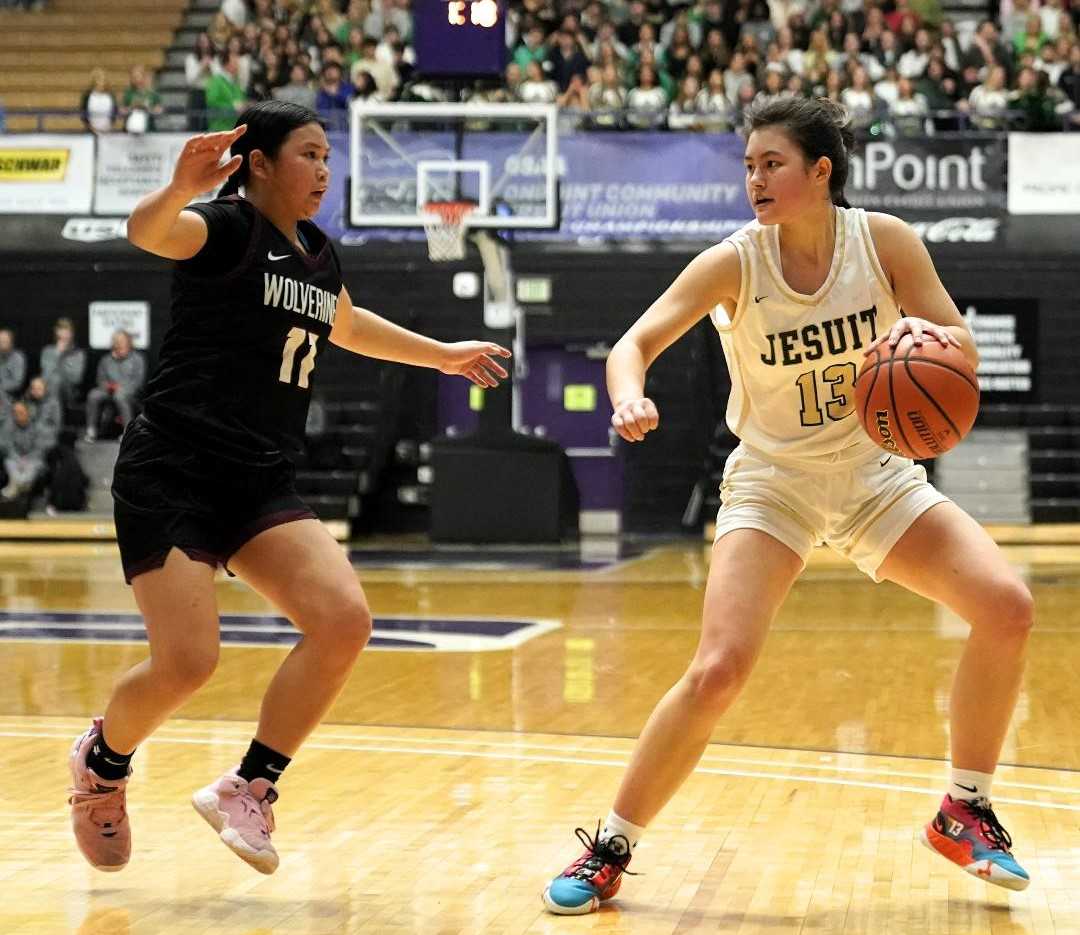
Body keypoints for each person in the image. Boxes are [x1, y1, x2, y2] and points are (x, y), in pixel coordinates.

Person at [542, 96, 1033, 915]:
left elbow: (959, 340)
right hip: (774, 479)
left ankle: (964, 807)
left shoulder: (883, 243)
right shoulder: (737, 262)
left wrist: (913, 348)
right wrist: (626, 396)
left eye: (771, 164)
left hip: (875, 472)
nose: (755, 179)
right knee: (719, 669)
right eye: (748, 166)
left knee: (1008, 607)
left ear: (820, 172)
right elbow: (635, 342)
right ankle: (611, 846)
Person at [66, 100, 510, 876]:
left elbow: (348, 323)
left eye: (329, 159)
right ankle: (102, 765)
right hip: (174, 468)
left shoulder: (316, 253)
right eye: (309, 155)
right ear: (261, 163)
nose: (323, 172)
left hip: (258, 476)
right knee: (188, 662)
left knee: (344, 619)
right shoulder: (224, 228)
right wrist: (177, 188)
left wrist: (442, 354)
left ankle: (250, 785)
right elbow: (149, 232)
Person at [84, 330, 145, 442]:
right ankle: (91, 430)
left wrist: (121, 387)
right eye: (117, 342)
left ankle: (127, 433)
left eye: (122, 342)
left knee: (120, 396)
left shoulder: (137, 359)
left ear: (129, 343)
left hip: (129, 392)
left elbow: (138, 382)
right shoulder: (106, 360)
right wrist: (107, 386)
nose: (119, 344)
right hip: (108, 390)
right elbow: (100, 379)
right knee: (93, 395)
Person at [39, 317, 87, 408]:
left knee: (56, 380)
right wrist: (57, 354)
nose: (64, 335)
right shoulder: (47, 351)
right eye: (61, 331)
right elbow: (44, 377)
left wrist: (60, 369)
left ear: (72, 334)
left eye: (67, 331)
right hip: (47, 390)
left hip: (69, 391)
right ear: (56, 333)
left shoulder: (78, 353)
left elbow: (76, 379)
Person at [0, 329, 26, 397]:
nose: (2, 341)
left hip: (9, 397)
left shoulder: (18, 357)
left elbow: (17, 383)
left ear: (11, 341)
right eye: (1, 339)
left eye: (5, 339)